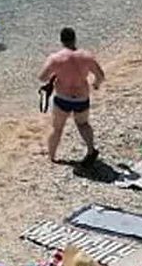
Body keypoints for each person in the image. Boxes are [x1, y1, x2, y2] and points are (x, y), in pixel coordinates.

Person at [39, 26, 104, 164]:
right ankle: (91, 149)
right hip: (81, 97)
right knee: (83, 124)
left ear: (61, 41)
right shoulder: (87, 57)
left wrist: (55, 74)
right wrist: (96, 84)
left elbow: (42, 77)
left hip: (63, 98)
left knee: (57, 129)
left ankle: (52, 157)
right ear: (75, 39)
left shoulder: (55, 58)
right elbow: (100, 75)